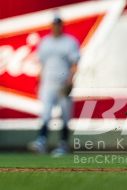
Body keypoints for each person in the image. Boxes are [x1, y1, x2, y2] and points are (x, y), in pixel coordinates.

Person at [28, 17, 80, 157]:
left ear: (62, 25)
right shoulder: (45, 42)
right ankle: (41, 142)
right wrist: (38, 82)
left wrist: (70, 81)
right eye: (54, 24)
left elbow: (75, 64)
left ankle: (63, 145)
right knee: (45, 113)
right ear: (51, 26)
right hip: (48, 82)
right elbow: (41, 65)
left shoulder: (69, 42)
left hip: (63, 82)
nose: (56, 27)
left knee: (65, 114)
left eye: (58, 24)